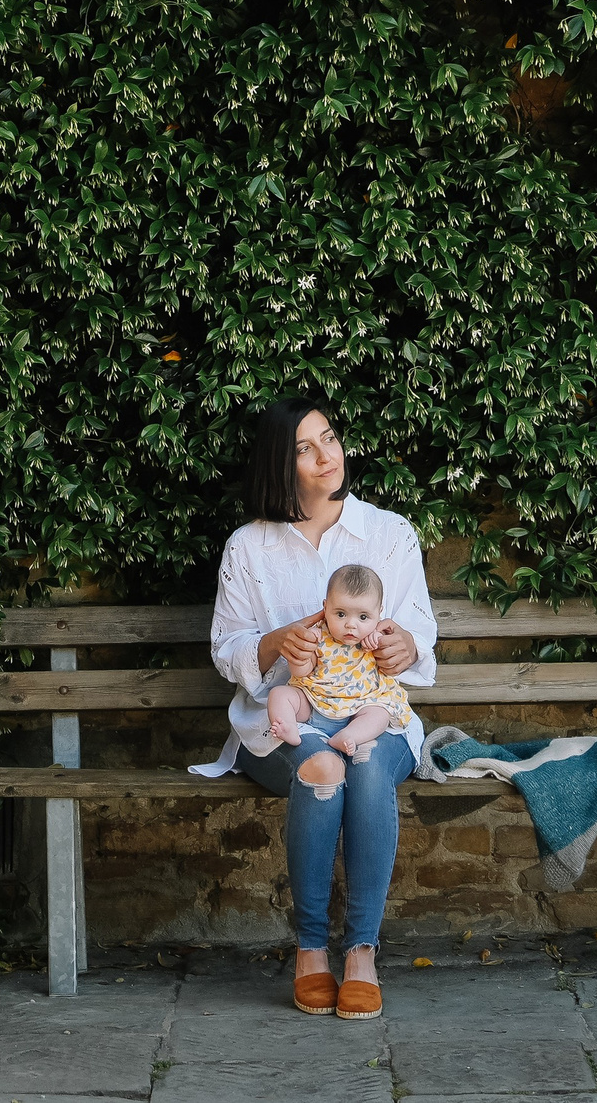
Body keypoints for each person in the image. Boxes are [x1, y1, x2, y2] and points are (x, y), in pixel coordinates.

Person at [203, 398, 437, 1021]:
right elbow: (227, 650)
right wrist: (278, 642)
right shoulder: (249, 547)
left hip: (374, 716)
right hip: (290, 720)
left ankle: (361, 951)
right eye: (305, 448)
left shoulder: (391, 535)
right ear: (280, 464)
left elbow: (420, 639)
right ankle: (311, 949)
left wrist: (403, 646)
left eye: (329, 438)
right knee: (322, 768)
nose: (326, 456)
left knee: (361, 763)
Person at [265, 564, 413, 761]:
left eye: (363, 617)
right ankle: (289, 727)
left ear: (379, 613)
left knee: (380, 714)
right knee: (279, 694)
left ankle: (350, 735)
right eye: (341, 614)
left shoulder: (377, 637)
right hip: (313, 703)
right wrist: (304, 650)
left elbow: (391, 666)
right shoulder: (318, 636)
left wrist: (378, 640)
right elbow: (301, 672)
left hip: (360, 707)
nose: (351, 624)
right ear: (326, 608)